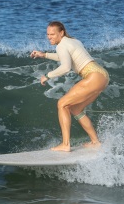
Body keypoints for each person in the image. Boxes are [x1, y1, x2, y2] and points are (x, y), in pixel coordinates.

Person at [30, 21, 109, 152]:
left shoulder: (61, 45)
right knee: (76, 109)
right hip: (102, 75)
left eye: (52, 34)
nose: (49, 37)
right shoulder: (74, 41)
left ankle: (65, 144)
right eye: (48, 34)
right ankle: (95, 142)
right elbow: (64, 57)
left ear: (61, 33)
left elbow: (66, 67)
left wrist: (48, 75)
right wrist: (44, 55)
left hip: (93, 75)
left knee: (62, 104)